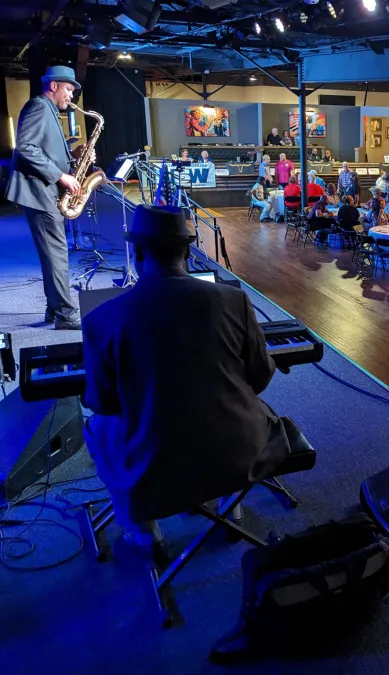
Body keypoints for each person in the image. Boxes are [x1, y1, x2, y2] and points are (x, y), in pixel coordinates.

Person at [82, 205, 301, 545]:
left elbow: (104, 403)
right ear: (187, 252)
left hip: (153, 467)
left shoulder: (101, 319)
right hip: (237, 452)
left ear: (137, 252)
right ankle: (231, 500)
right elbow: (259, 379)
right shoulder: (235, 301)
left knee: (97, 427)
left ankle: (144, 529)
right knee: (251, 410)